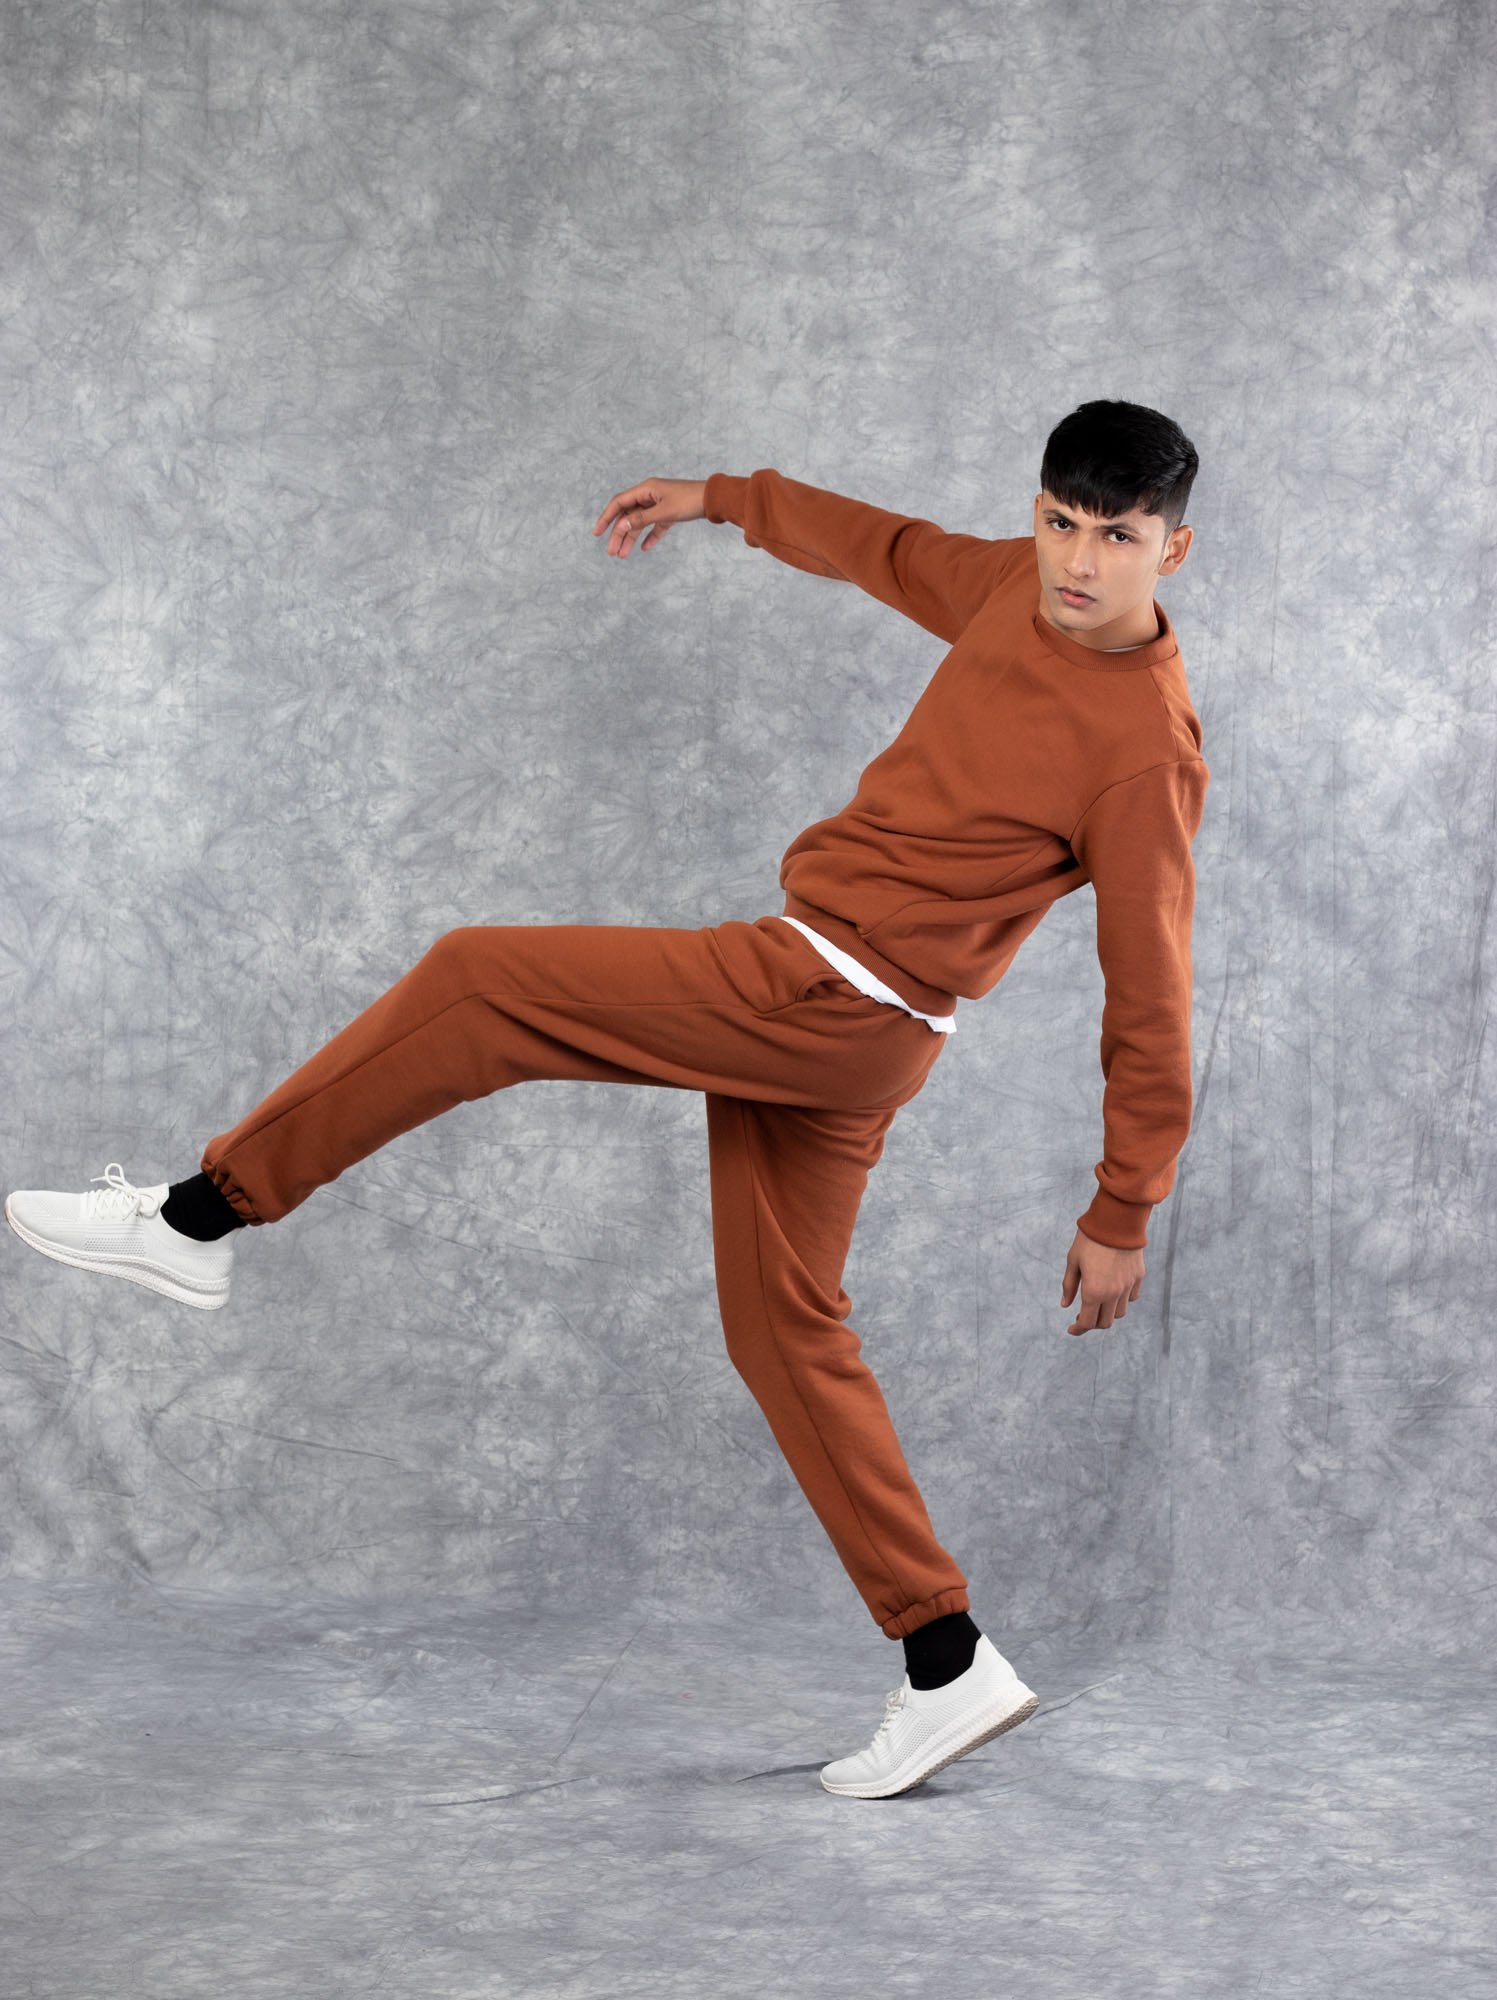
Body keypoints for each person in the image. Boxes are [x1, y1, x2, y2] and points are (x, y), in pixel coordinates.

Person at [5, 397, 1206, 1800]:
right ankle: (948, 1660)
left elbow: (1152, 997)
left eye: (1116, 538)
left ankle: (200, 1217)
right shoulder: (1012, 583)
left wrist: (1122, 1208)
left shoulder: (1145, 748)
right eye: (1060, 522)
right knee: (782, 1329)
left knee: (479, 982)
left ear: (1170, 551)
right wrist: (720, 495)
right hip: (845, 1012)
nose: (1077, 562)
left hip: (829, 995)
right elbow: (879, 546)